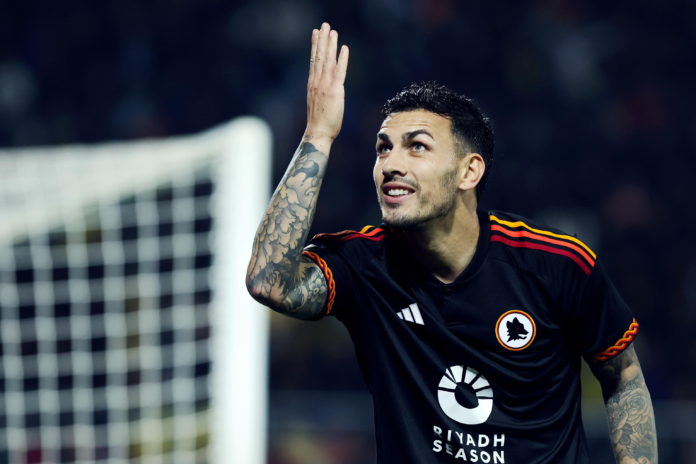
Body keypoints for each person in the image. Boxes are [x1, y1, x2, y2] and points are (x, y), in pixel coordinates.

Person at [246, 22, 658, 464]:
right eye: (383, 148)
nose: (391, 164)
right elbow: (269, 283)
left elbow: (623, 377)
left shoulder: (556, 263)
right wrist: (318, 135)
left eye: (416, 147)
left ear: (469, 171)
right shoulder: (365, 263)